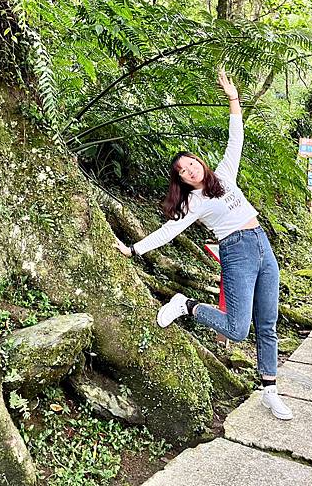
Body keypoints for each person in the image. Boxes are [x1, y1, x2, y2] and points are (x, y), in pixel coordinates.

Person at [115, 68, 293, 421]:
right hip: (236, 252)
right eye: (182, 171)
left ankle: (270, 390)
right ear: (181, 179)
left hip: (261, 245)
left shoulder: (225, 174)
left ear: (200, 162)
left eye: (191, 163)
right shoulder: (192, 204)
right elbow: (168, 232)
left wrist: (233, 100)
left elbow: (235, 139)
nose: (189, 170)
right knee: (238, 329)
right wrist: (134, 249)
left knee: (267, 323)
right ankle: (187, 305)